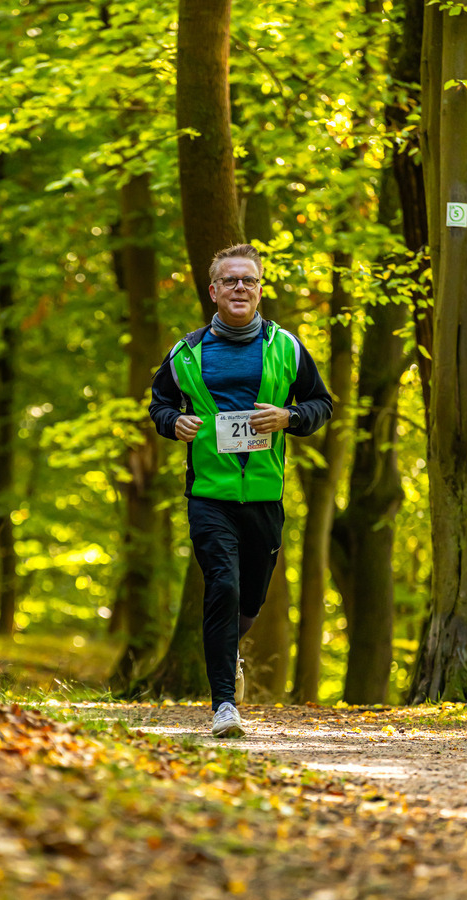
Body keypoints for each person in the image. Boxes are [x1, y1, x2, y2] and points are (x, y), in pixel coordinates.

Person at [149, 243, 332, 738]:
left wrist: (289, 416)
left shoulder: (286, 347)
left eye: (248, 280)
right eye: (229, 280)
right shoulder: (186, 352)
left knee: (249, 601)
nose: (239, 288)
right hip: (209, 492)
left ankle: (229, 644)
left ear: (259, 289)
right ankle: (224, 705)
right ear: (213, 291)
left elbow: (321, 404)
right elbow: (160, 405)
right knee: (222, 588)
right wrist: (174, 422)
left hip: (265, 497)